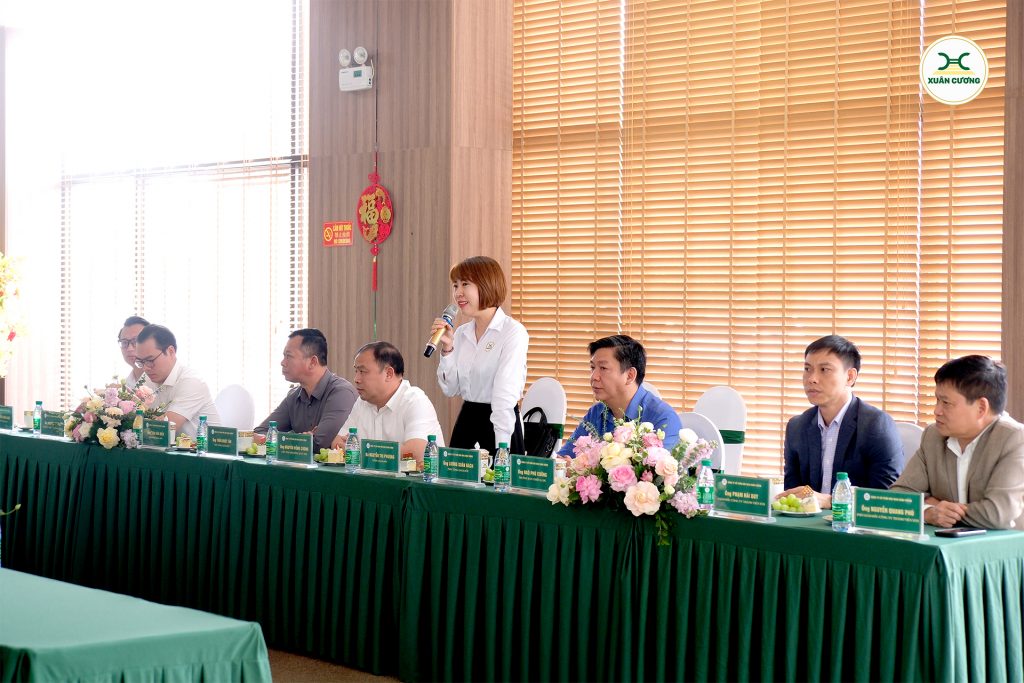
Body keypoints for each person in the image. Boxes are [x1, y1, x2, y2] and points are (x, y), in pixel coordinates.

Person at [891, 355, 1024, 530]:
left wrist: (942, 509)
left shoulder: (1015, 439)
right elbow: (897, 497)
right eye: (937, 400)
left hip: (1004, 545)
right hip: (948, 543)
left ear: (981, 408)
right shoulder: (933, 436)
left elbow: (998, 513)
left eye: (946, 403)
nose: (936, 411)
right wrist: (928, 511)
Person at [781, 335, 903, 508]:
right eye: (807, 369)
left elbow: (886, 496)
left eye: (824, 370)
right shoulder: (797, 427)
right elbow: (794, 492)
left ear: (850, 377)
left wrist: (831, 501)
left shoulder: (876, 425)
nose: (812, 378)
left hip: (855, 523)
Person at [431, 256, 529, 454]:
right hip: (467, 420)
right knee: (456, 474)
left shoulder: (512, 332)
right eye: (455, 285)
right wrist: (448, 349)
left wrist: (502, 448)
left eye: (465, 284)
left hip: (500, 424)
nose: (458, 293)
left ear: (487, 284)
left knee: (497, 473)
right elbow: (451, 389)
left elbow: (505, 394)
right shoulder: (461, 333)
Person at [558, 335, 681, 456]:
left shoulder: (663, 419)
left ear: (630, 376)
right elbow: (563, 458)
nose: (594, 377)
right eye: (592, 367)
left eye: (603, 368)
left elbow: (657, 467)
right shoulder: (596, 412)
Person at [331, 341, 444, 464]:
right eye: (356, 371)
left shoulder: (415, 401)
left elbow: (417, 453)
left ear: (389, 374)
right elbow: (337, 444)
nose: (356, 379)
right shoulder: (362, 402)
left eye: (362, 371)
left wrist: (361, 451)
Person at [254, 328, 357, 452]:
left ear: (312, 362)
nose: (282, 362)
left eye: (289, 356)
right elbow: (259, 433)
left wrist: (285, 439)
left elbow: (319, 443)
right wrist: (301, 439)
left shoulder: (341, 393)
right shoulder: (294, 396)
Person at [134, 324, 220, 438]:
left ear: (171, 351)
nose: (145, 368)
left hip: (204, 448)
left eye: (150, 360)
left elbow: (163, 430)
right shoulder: (147, 378)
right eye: (141, 362)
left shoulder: (191, 381)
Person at [118, 315, 151, 387]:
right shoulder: (126, 385)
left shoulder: (164, 381)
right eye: (124, 342)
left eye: (136, 341)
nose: (129, 349)